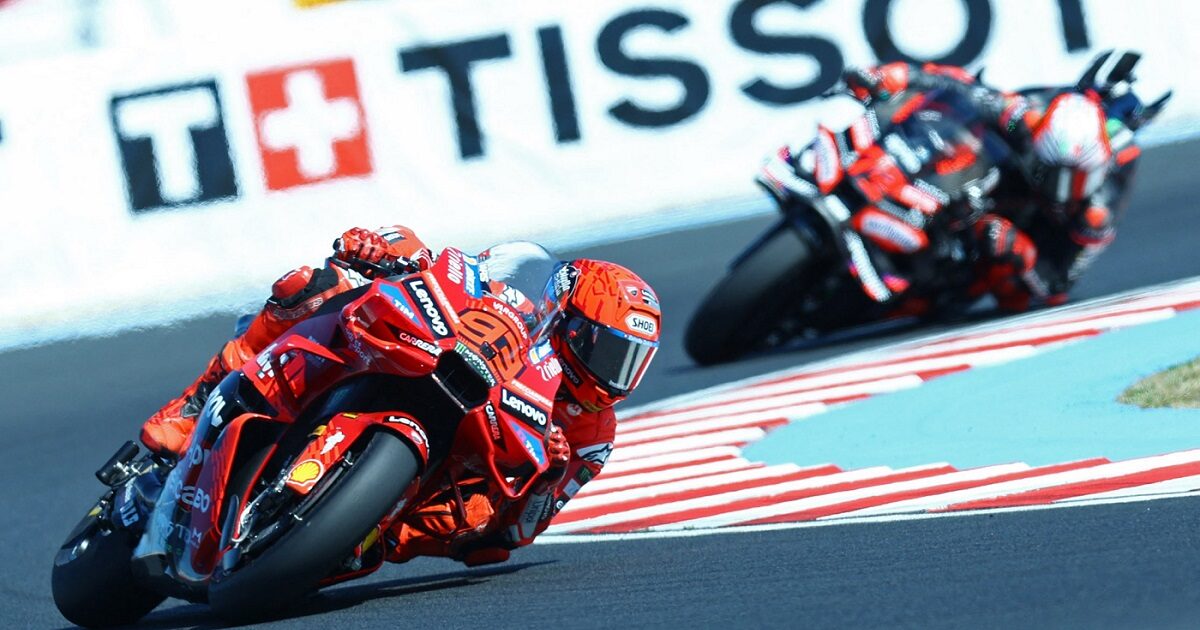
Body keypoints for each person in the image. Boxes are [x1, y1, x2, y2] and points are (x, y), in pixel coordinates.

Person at [140, 225, 662, 566]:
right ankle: (195, 404)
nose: (613, 375)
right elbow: (444, 266)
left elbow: (522, 531)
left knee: (479, 521)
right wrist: (382, 250)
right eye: (609, 352)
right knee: (312, 284)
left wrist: (545, 480)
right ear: (568, 320)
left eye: (631, 362)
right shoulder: (516, 305)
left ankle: (363, 523)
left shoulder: (593, 436)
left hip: (440, 476)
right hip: (425, 359)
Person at [839, 51, 1167, 311]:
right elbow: (967, 90)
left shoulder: (1099, 207)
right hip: (980, 186)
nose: (1056, 184)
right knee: (948, 124)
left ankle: (923, 281)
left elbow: (1058, 284)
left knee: (1011, 292)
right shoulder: (1031, 116)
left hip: (1017, 233)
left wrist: (1021, 250)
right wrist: (898, 75)